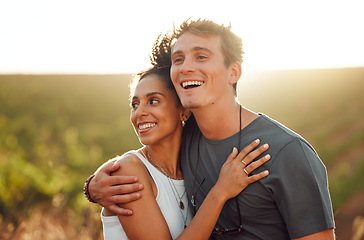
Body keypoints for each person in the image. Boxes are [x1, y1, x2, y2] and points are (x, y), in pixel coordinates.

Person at [85, 19, 335, 239]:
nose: (185, 68)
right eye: (178, 59)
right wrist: (93, 186)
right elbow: (142, 161)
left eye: (201, 56)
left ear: (233, 72)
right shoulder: (188, 136)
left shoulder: (287, 152)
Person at [97, 36, 271, 239]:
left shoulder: (191, 165)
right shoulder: (129, 171)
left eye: (153, 101)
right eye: (135, 104)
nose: (139, 113)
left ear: (184, 111)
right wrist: (220, 192)